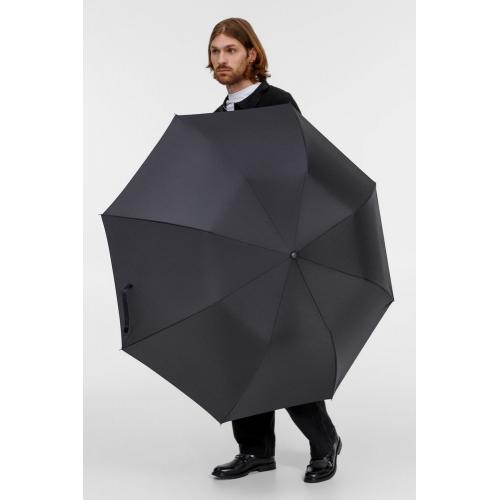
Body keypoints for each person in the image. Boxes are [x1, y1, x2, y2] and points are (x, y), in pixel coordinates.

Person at [206, 18, 342, 484]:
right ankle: (255, 450)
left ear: (252, 54)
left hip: (278, 249)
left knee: (285, 353)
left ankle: (324, 443)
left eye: (230, 50)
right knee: (242, 354)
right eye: (215, 51)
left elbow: (297, 172)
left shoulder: (277, 104)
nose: (221, 59)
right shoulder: (217, 117)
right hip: (235, 253)